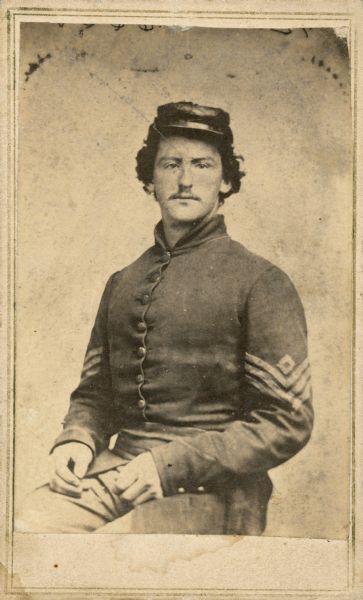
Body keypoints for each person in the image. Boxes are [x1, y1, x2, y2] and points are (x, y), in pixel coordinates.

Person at [17, 101, 314, 534]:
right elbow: (95, 395)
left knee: (113, 559)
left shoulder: (261, 281)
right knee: (26, 531)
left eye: (202, 164)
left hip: (215, 490)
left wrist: (170, 464)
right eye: (170, 164)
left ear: (226, 180)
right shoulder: (123, 282)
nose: (185, 180)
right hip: (118, 472)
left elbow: (287, 420)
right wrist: (77, 439)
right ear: (150, 180)